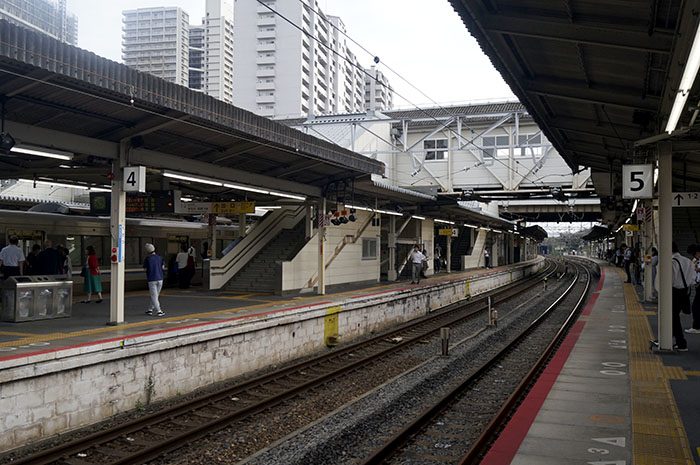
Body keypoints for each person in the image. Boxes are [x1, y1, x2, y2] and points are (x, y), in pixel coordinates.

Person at [671, 242, 694, 351]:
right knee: (675, 316)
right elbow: (693, 279)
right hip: (685, 291)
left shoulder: (672, 262)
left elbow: (670, 280)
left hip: (674, 291)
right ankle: (670, 338)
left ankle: (681, 343)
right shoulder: (688, 261)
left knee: (673, 317)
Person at [144, 243, 165, 316]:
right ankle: (150, 309)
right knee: (155, 296)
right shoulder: (160, 258)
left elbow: (145, 268)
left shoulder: (148, 258)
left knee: (154, 296)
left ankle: (159, 311)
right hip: (160, 278)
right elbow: (163, 267)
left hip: (152, 279)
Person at [686, 244, 700, 334]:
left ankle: (696, 327)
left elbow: (697, 269)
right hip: (698, 285)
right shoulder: (696, 260)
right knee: (696, 306)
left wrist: (696, 269)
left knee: (696, 307)